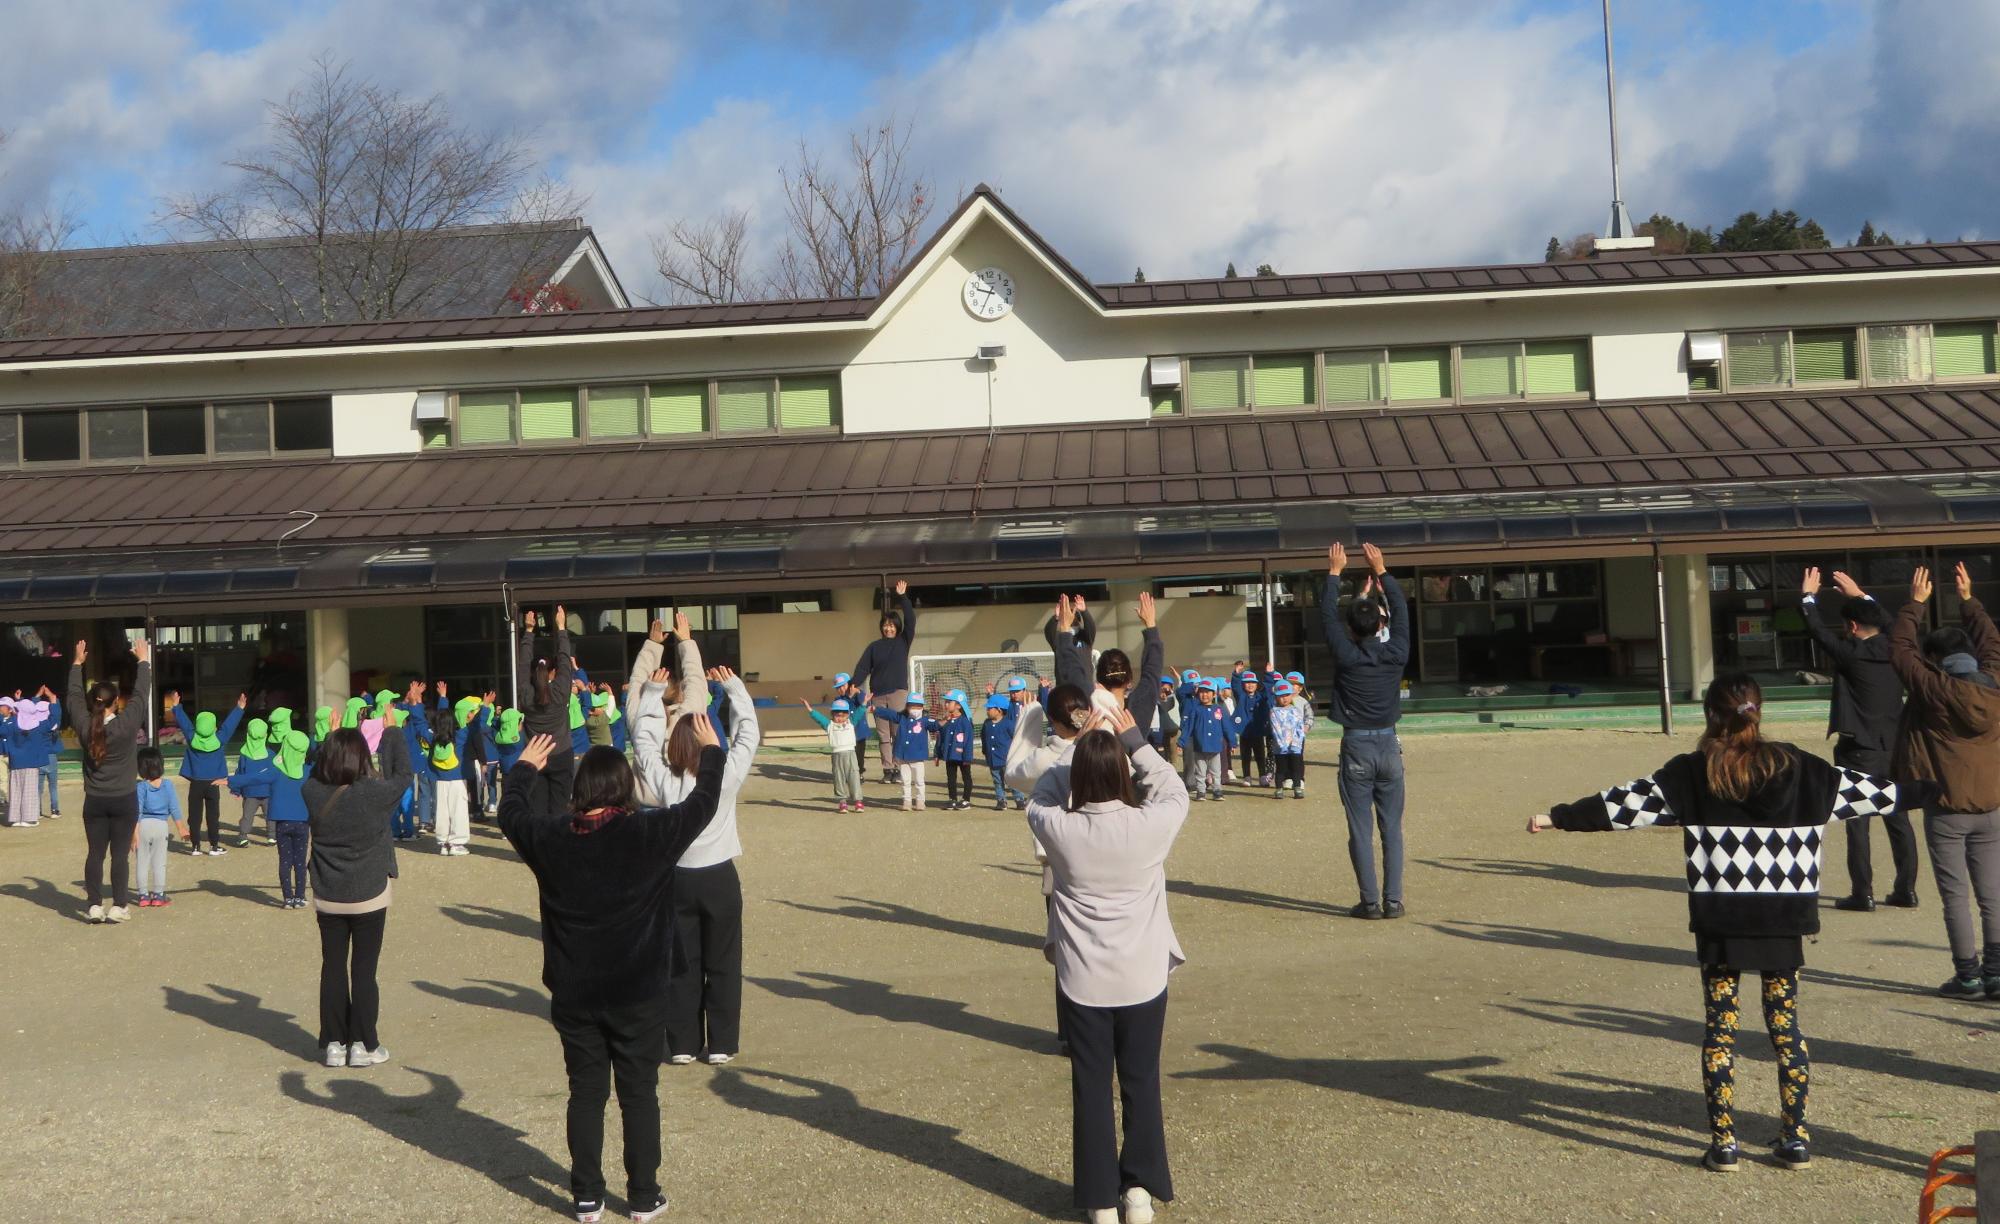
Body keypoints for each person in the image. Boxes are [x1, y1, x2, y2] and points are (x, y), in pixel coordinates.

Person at [1529, 673, 1895, 1173]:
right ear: (1759, 711)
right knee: (1786, 1029)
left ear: (1710, 715)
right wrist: (1947, 787)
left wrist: (1558, 817)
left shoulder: (1692, 772)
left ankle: (1724, 1144)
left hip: (1722, 917)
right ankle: (1796, 1139)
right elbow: (1880, 793)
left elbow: (1624, 805)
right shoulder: (1805, 769)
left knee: (1721, 1031)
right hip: (1783, 917)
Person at [499, 721, 726, 1224]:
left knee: (586, 1092)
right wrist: (711, 752)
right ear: (625, 788)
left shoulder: (551, 838)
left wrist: (523, 769)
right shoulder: (650, 833)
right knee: (638, 1092)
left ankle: (587, 1196)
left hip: (576, 990)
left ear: (580, 791)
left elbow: (510, 813)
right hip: (638, 990)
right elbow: (703, 803)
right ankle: (643, 1196)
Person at [1027, 707, 1187, 1224]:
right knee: (1141, 1080)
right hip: (1142, 976)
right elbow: (1173, 787)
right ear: (1123, 774)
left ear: (1077, 778)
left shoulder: (1059, 827)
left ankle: (1099, 1199)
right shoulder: (1149, 824)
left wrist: (1077, 744)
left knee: (1091, 1088)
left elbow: (1040, 795)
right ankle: (1138, 1191)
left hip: (1083, 980)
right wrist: (1132, 740)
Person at [1885, 563, 2000, 1000]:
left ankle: (1968, 977)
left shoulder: (1934, 690)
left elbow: (1900, 651)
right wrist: (1969, 601)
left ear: (1935, 660)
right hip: (1991, 805)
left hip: (1947, 806)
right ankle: (1997, 974)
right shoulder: (1994, 686)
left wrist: (1915, 604)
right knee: (1992, 895)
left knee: (1955, 897)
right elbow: (1992, 645)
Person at [636, 667, 759, 1067]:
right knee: (723, 961)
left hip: (677, 879)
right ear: (710, 743)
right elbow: (748, 734)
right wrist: (734, 688)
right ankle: (721, 1043)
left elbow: (643, 742)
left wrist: (652, 693)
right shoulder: (726, 776)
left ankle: (683, 1044)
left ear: (675, 747)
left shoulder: (667, 783)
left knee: (681, 964)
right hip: (719, 877)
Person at [1800, 567, 1918, 911]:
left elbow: (1816, 630)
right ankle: (1906, 890)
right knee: (1899, 819)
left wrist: (1808, 598)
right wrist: (1861, 595)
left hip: (1858, 749)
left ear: (1852, 627)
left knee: (1857, 822)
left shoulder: (1850, 653)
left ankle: (1862, 892)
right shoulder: (1896, 648)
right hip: (1894, 746)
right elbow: (1894, 625)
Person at [305, 709, 414, 1069]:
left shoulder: (312, 792)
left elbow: (315, 772)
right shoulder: (374, 794)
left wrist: (330, 738)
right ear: (364, 758)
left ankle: (335, 1044)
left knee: (333, 967)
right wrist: (392, 732)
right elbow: (403, 775)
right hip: (368, 892)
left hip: (329, 892)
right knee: (364, 971)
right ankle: (363, 1045)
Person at [1322, 542, 1412, 920]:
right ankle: (1393, 901)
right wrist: (1382, 570)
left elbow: (1327, 616)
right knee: (1391, 829)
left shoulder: (1346, 655)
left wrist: (1334, 572)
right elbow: (1401, 611)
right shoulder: (1396, 653)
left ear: (1351, 630)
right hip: (1389, 743)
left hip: (1356, 745)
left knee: (1360, 830)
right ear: (1381, 625)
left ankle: (1370, 903)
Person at [69, 636, 151, 924]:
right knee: (119, 856)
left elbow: (73, 698)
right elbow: (141, 695)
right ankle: (118, 905)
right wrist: (143, 661)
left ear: (93, 702)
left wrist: (77, 664)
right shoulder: (126, 726)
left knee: (95, 854)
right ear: (116, 703)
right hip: (123, 799)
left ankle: (94, 905)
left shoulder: (84, 726)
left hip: (95, 800)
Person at [622, 613, 705, 802]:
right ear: (679, 692)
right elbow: (696, 681)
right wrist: (686, 641)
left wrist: (652, 645)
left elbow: (636, 682)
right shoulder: (688, 719)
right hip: (684, 801)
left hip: (644, 802)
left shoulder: (640, 718)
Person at [850, 580, 916, 782]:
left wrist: (902, 597)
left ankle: (899, 768)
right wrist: (853, 684)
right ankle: (888, 770)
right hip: (877, 695)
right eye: (885, 625)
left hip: (897, 693)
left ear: (897, 627)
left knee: (898, 732)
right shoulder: (874, 647)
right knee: (883, 735)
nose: (888, 628)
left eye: (891, 625)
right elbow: (863, 667)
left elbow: (911, 619)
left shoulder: (903, 641)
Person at [167, 690, 246, 857]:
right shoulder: (220, 739)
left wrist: (176, 706)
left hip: (196, 782)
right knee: (213, 816)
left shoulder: (191, 737)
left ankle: (195, 847)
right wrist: (239, 708)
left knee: (194, 816)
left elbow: (184, 723)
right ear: (214, 727)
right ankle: (214, 846)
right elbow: (229, 726)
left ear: (197, 726)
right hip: (213, 783)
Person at [132, 747, 188, 907]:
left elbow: (137, 811)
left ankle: (143, 896)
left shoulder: (140, 786)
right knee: (159, 862)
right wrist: (181, 828)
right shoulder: (168, 785)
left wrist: (134, 834)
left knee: (142, 862)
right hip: (161, 826)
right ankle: (158, 895)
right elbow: (174, 807)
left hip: (143, 826)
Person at [268, 730, 314, 909]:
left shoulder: (276, 770)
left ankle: (287, 898)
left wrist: (231, 780)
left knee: (285, 861)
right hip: (302, 822)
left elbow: (255, 778)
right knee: (300, 861)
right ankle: (300, 897)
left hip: (282, 822)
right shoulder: (309, 771)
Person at [871, 692, 935, 811]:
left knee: (919, 781)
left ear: (922, 707)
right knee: (905, 781)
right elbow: (890, 714)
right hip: (903, 757)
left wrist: (945, 721)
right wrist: (876, 710)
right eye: (912, 706)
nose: (915, 709)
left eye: (918, 706)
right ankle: (907, 801)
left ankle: (920, 801)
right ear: (907, 706)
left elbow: (936, 725)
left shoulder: (925, 720)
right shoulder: (902, 717)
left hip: (918, 757)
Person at [802, 697, 865, 812]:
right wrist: (810, 709)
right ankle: (842, 802)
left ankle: (858, 802)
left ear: (848, 715)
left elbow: (859, 713)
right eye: (837, 716)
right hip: (837, 755)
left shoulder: (851, 722)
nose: (840, 718)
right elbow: (819, 718)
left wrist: (864, 703)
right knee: (838, 778)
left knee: (854, 777)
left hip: (851, 754)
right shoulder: (829, 725)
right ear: (832, 715)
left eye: (843, 716)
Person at [1178, 680, 1234, 801]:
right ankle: (1201, 791)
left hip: (1215, 747)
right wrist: (1181, 742)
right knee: (1200, 771)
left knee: (1216, 771)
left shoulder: (1219, 709)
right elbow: (1188, 727)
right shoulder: (1195, 709)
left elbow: (1227, 727)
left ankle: (1217, 791)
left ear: (1214, 694)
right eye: (1202, 692)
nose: (1204, 695)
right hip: (1200, 747)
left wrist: (1232, 742)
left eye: (1208, 692)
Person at [5, 693, 56, 826]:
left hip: (16, 762)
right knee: (30, 790)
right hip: (32, 762)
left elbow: (2, 730)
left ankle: (15, 818)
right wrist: (53, 702)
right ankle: (28, 819)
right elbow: (53, 720)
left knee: (15, 789)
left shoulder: (12, 724)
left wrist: (5, 714)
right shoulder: (38, 725)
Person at [227, 716, 276, 847]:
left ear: (248, 734)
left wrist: (236, 789)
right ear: (265, 735)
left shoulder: (244, 754)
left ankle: (243, 836)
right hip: (268, 792)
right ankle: (272, 836)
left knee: (247, 816)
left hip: (250, 793)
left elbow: (240, 773)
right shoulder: (270, 754)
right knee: (270, 815)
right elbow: (275, 774)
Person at [1267, 678, 1311, 799]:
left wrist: (1296, 743)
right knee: (1281, 769)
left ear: (1291, 695)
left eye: (1287, 695)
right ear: (1276, 697)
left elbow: (1299, 727)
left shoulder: (1295, 710)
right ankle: (1279, 788)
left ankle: (1297, 788)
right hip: (1280, 747)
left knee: (1296, 768)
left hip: (1295, 746)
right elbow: (1275, 729)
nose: (1284, 698)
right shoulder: (1274, 711)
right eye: (1281, 696)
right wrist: (1282, 744)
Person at [1229, 666, 1272, 787]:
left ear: (1257, 684)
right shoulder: (1241, 696)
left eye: (1253, 682)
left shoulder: (1261, 696)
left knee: (1260, 755)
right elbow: (1235, 687)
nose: (1250, 685)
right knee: (1245, 756)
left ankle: (1262, 776)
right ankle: (1247, 777)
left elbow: (1268, 689)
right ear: (1243, 685)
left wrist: (1269, 674)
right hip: (1244, 732)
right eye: (1247, 683)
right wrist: (1237, 674)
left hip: (1258, 731)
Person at [935, 690, 975, 810]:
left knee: (966, 777)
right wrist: (937, 753)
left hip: (962, 756)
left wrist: (967, 757)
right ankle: (952, 799)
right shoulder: (946, 721)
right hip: (949, 755)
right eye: (946, 702)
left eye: (949, 702)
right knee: (951, 778)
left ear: (958, 705)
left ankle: (966, 800)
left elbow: (968, 741)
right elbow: (940, 738)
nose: (946, 704)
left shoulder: (965, 722)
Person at [981, 695, 1019, 812]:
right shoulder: (986, 723)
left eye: (989, 708)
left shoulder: (1008, 723)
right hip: (993, 759)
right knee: (997, 781)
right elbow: (984, 738)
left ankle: (1019, 799)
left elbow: (1015, 738)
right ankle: (1001, 801)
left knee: (1011, 780)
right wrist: (985, 751)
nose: (987, 710)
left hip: (1007, 758)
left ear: (999, 710)